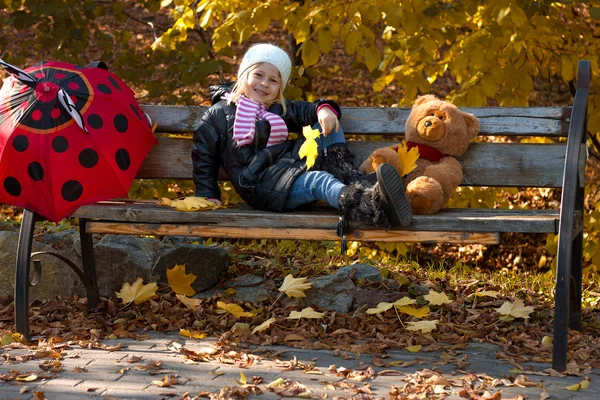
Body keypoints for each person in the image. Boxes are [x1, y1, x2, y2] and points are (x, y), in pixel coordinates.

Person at [192, 43, 412, 227]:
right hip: (261, 187)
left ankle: (352, 181)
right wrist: (207, 193)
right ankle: (370, 207)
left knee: (329, 126)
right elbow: (204, 156)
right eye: (258, 75)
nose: (264, 84)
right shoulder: (220, 114)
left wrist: (324, 109)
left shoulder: (279, 108)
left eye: (273, 80)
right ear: (243, 75)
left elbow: (308, 110)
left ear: (280, 88)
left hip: (288, 170)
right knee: (320, 181)